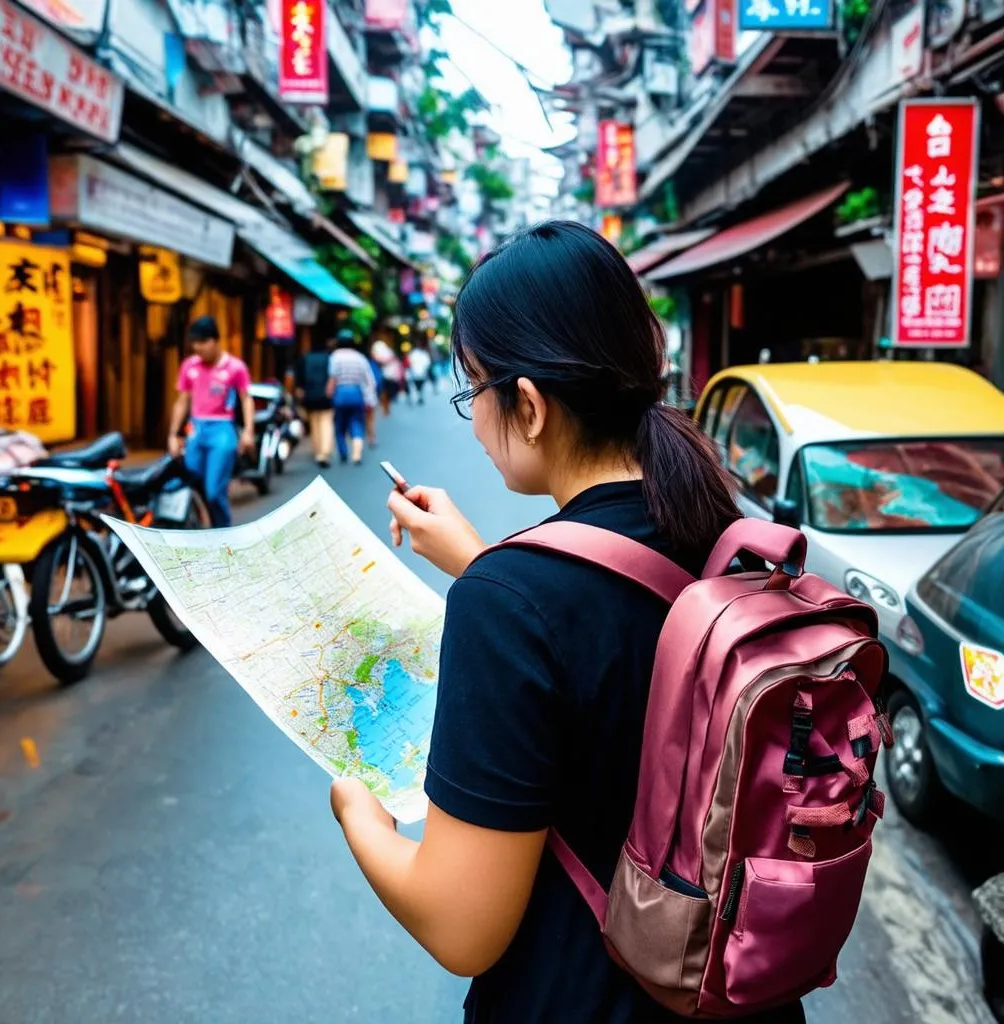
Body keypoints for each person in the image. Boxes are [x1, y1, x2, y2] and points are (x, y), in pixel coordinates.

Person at [331, 222, 804, 1023]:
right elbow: (618, 637)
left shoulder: (511, 602)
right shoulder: (712, 518)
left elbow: (461, 927)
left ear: (527, 403)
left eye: (473, 390)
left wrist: (355, 806)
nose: (473, 421)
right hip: (735, 990)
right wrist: (483, 565)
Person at [168, 315, 254, 527]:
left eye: (203, 342)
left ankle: (224, 535)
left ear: (215, 340)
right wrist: (173, 434)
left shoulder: (235, 367)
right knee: (191, 482)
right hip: (196, 429)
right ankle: (203, 530)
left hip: (222, 429)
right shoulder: (189, 366)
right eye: (194, 343)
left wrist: (248, 431)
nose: (198, 348)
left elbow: (246, 399)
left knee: (214, 491)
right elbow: (182, 401)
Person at [327, 329, 377, 466]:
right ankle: (357, 453)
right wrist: (369, 397)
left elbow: (333, 378)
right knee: (357, 423)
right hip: (356, 393)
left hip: (341, 394)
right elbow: (369, 380)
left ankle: (343, 452)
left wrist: (329, 393)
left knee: (340, 426)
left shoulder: (335, 357)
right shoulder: (360, 358)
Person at [294, 333, 335, 470]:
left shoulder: (305, 358)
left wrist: (300, 392)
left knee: (314, 424)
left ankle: (318, 452)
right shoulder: (329, 359)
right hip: (325, 396)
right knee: (326, 423)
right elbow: (333, 377)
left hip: (310, 395)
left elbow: (299, 378)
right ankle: (324, 453)